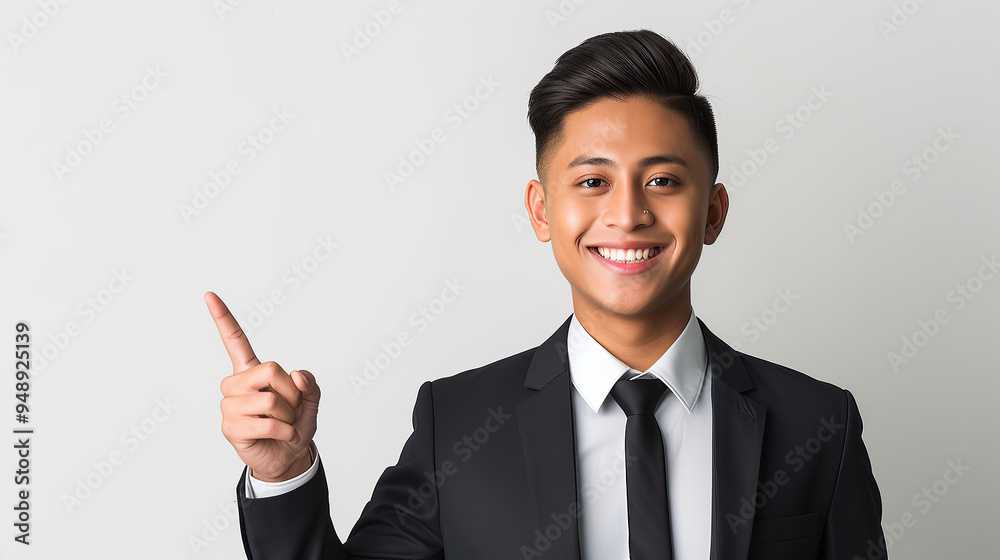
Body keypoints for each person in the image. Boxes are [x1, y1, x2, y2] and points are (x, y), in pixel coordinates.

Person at [209, 29, 887, 560]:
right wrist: (284, 474)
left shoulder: (817, 424)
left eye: (663, 181)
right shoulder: (460, 425)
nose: (627, 215)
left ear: (713, 212)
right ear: (541, 211)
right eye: (593, 182)